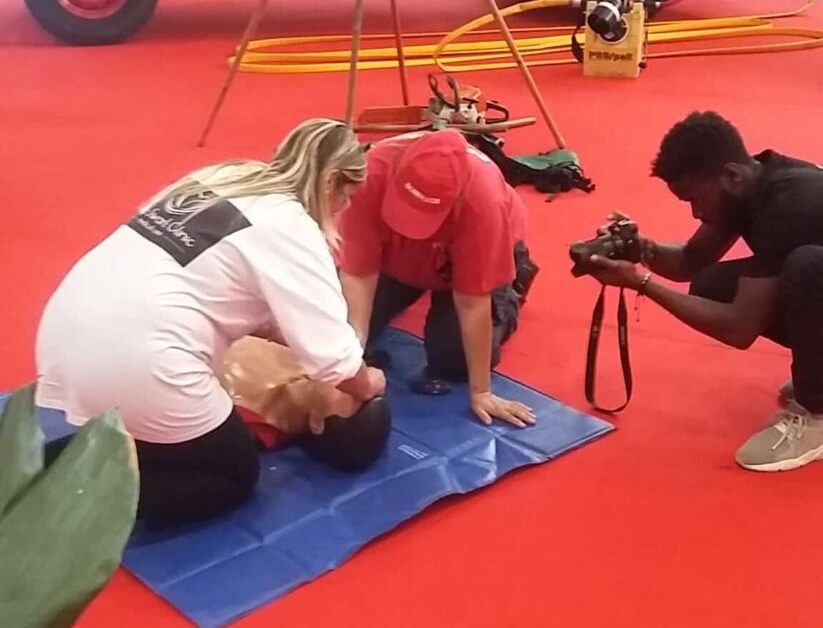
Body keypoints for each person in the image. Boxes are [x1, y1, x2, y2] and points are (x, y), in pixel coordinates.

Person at [35, 118, 386, 527]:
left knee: (169, 443)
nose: (346, 208)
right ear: (331, 182)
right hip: (132, 357)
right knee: (231, 475)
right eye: (349, 195)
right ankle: (63, 502)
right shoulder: (293, 227)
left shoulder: (226, 175)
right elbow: (336, 362)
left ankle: (28, 474)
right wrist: (369, 383)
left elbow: (213, 276)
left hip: (68, 324)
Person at [582, 111, 823, 472]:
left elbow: (739, 329)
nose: (695, 213)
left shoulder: (791, 204)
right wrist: (640, 249)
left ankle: (817, 416)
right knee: (712, 284)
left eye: (695, 199)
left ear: (730, 175)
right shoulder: (748, 182)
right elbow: (690, 262)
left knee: (806, 267)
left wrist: (640, 283)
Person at [337, 129, 539, 429]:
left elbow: (472, 303)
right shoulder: (370, 173)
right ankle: (408, 291)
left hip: (473, 256)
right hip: (399, 259)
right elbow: (358, 274)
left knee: (453, 359)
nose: (411, 223)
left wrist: (480, 391)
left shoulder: (484, 203)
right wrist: (352, 360)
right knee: (338, 329)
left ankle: (512, 281)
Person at [218, 334, 391, 471]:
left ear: (317, 422)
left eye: (351, 397)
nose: (356, 385)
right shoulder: (315, 361)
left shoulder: (241, 422)